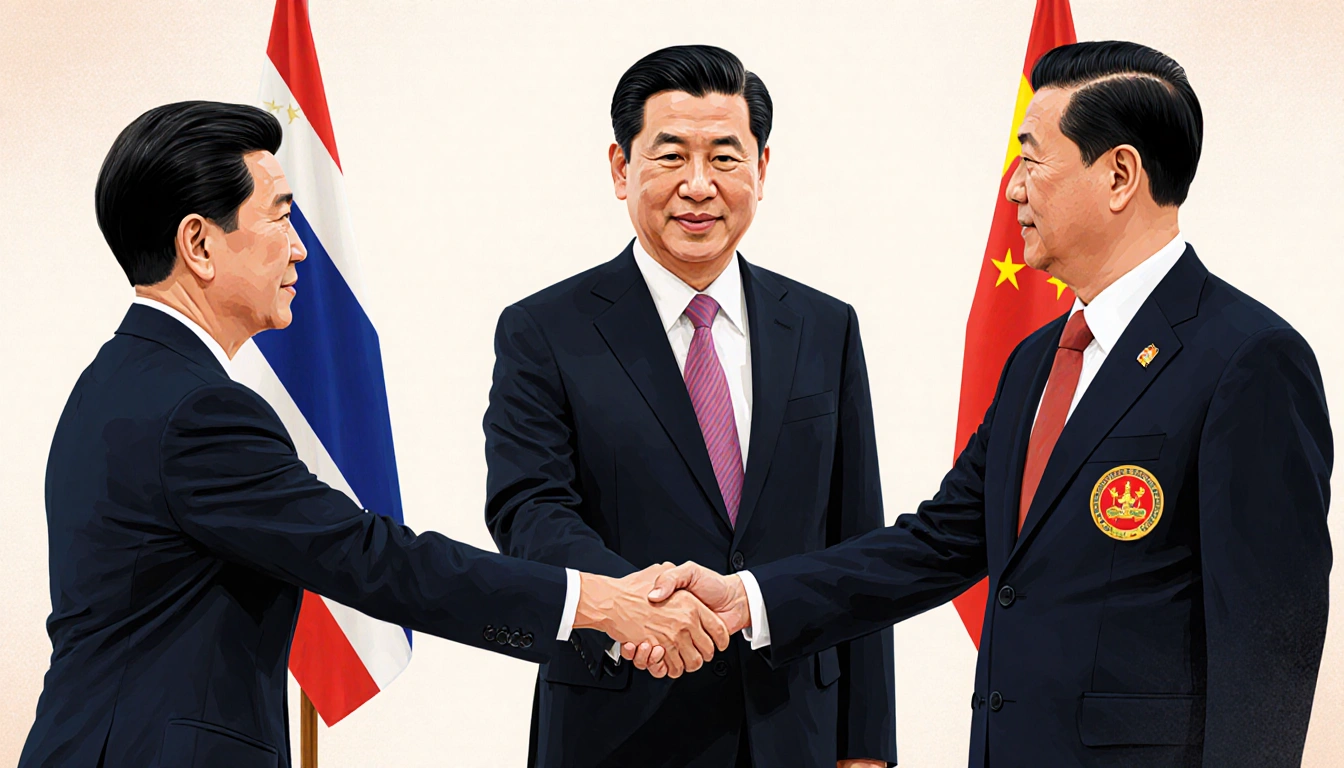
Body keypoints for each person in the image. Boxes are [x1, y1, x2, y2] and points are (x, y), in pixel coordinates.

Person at [647, 41, 1333, 768]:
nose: (1013, 189)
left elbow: (1268, 647)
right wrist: (750, 598)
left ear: (1120, 175)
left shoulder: (1248, 359)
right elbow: (938, 543)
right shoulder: (1038, 358)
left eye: (1033, 159)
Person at [19, 101, 728, 768]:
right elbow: (377, 561)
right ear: (199, 242)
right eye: (280, 218)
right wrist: (599, 603)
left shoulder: (122, 381)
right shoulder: (196, 411)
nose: (300, 251)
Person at [483, 45, 896, 768]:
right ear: (621, 168)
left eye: (726, 158)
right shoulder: (546, 329)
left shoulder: (826, 328)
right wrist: (633, 606)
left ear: (763, 169)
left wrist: (867, 745)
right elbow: (529, 509)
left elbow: (855, 539)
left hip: (794, 727)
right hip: (615, 723)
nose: (699, 186)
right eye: (670, 156)